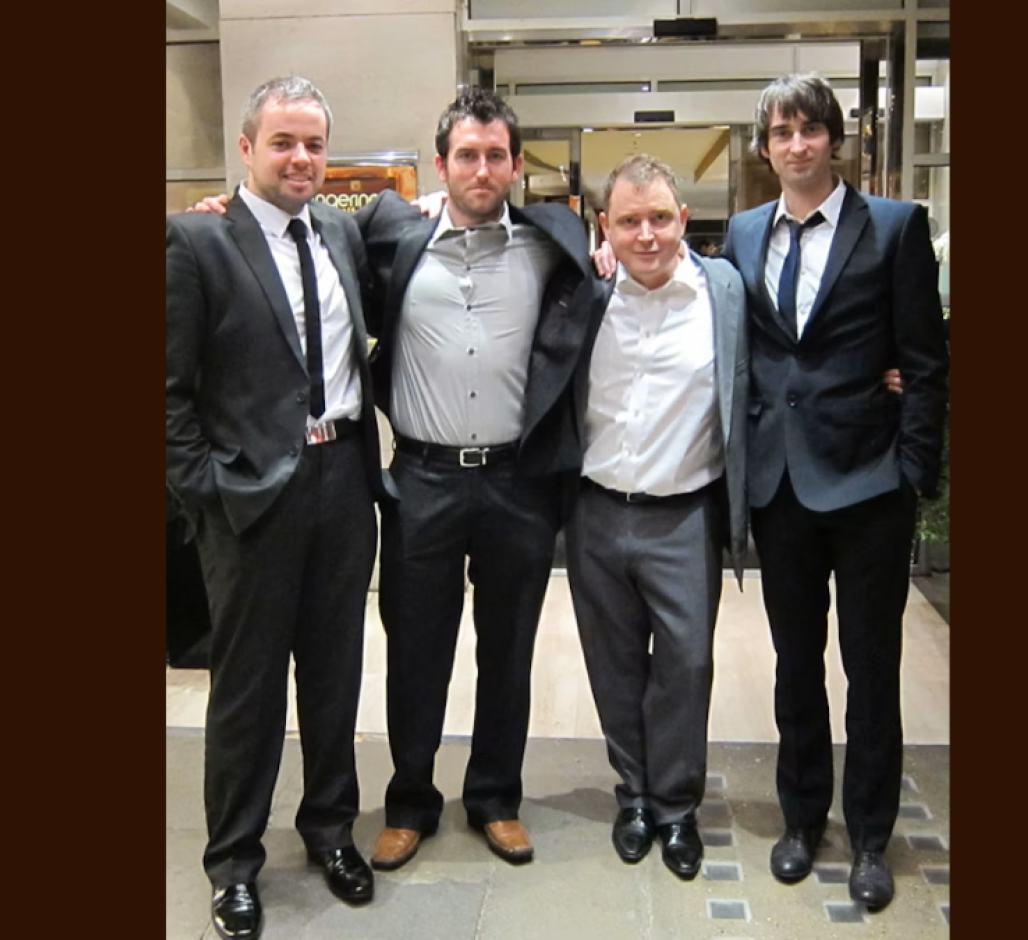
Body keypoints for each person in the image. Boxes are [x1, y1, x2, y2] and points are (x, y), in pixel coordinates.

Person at [191, 88, 592, 871]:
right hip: (422, 480)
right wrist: (223, 214)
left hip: (518, 484)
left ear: (516, 165)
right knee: (416, 651)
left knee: (508, 653)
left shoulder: (555, 241)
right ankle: (411, 800)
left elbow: (600, 287)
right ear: (441, 165)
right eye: (467, 155)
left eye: (497, 155)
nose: (483, 168)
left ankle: (495, 799)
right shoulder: (385, 233)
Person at [166, 75, 394, 940]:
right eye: (284, 142)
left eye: (314, 145)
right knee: (249, 690)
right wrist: (206, 498)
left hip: (342, 482)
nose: (301, 158)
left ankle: (331, 830)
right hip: (248, 500)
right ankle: (233, 864)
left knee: (335, 674)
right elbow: (167, 393)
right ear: (247, 148)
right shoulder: (196, 241)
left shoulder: (339, 229)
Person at [720, 73, 949, 911]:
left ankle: (872, 836)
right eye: (780, 133)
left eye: (810, 130)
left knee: (873, 668)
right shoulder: (743, 233)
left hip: (868, 486)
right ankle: (799, 817)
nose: (796, 145)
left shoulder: (893, 228)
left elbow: (925, 365)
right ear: (765, 146)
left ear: (835, 138)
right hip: (781, 485)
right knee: (793, 666)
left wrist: (914, 469)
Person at [556, 155, 750, 880]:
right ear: (605, 226)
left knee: (685, 667)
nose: (647, 236)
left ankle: (676, 807)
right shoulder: (585, 294)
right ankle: (633, 795)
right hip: (597, 513)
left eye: (660, 218)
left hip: (684, 516)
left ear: (683, 220)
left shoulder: (723, 293)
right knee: (611, 667)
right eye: (630, 220)